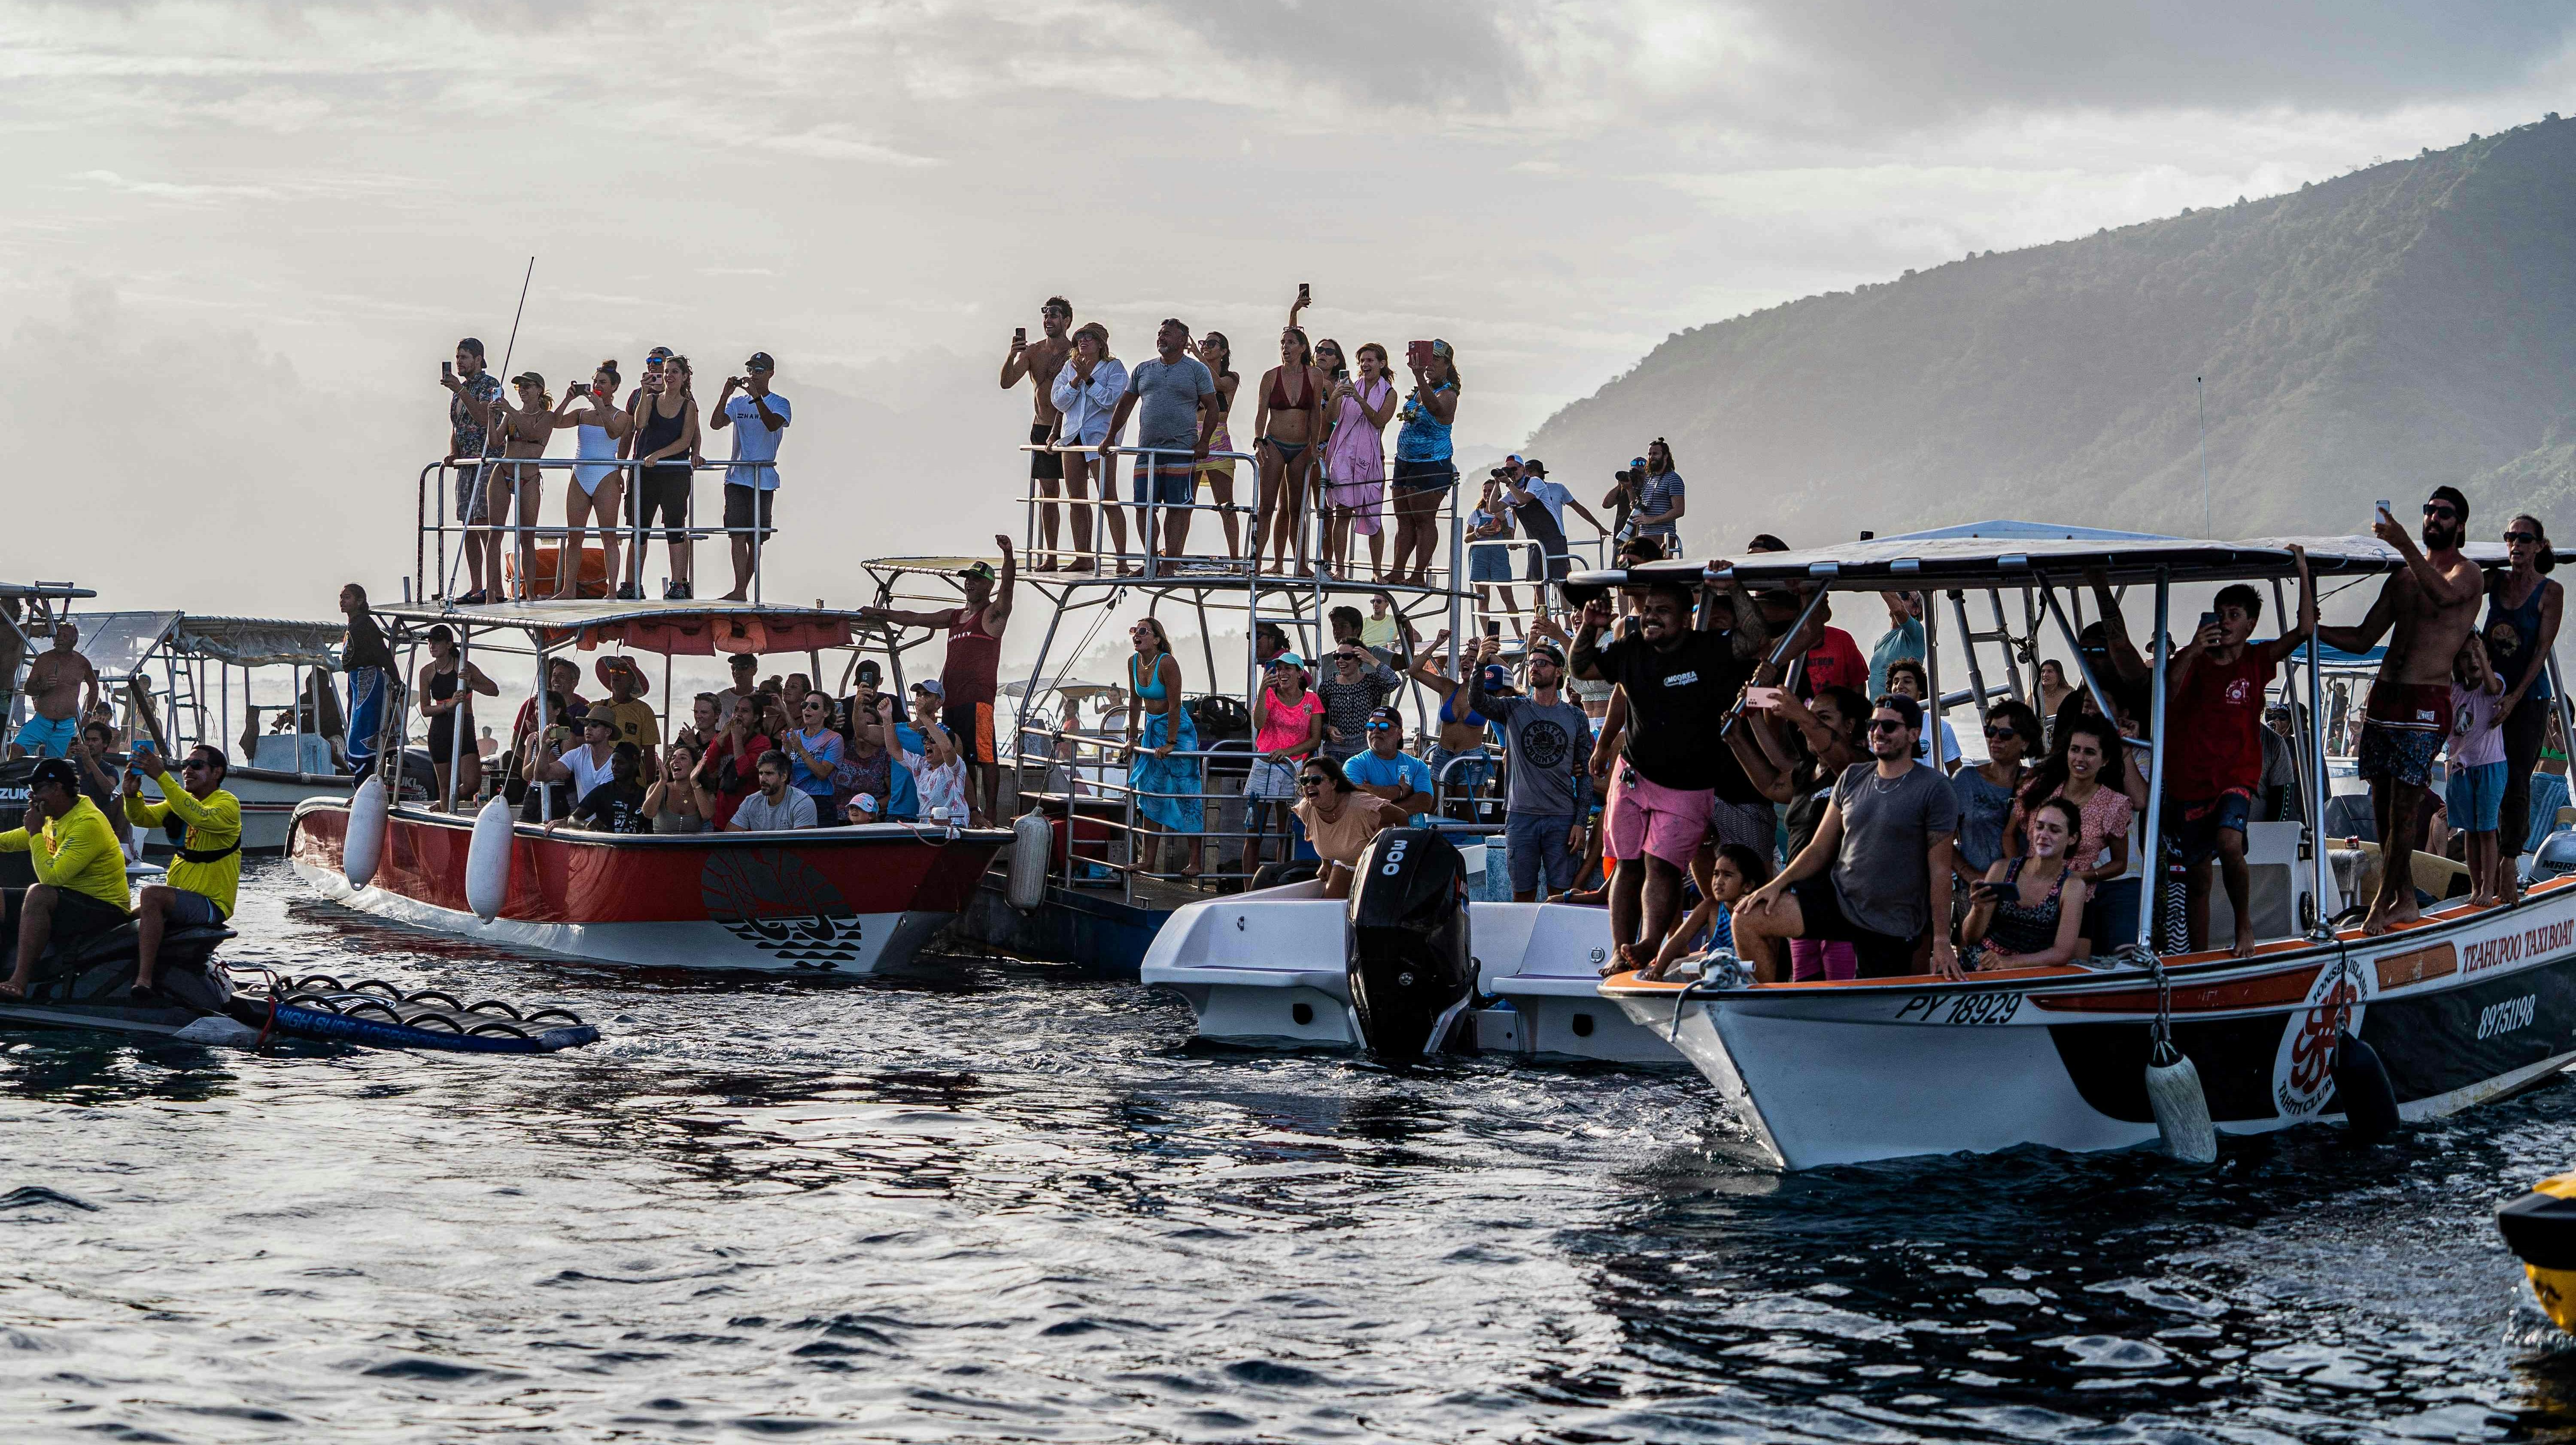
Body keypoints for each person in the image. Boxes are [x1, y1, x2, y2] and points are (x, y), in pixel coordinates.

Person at [1571, 572, 1769, 974]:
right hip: (1634, 774)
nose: (1651, 618)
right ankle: (1619, 948)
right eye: (1647, 610)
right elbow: (1582, 668)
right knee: (1627, 863)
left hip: (1689, 784)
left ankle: (1649, 944)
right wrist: (1589, 628)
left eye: (1663, 611)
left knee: (1662, 865)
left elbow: (1756, 641)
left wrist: (1732, 587)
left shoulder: (1707, 649)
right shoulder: (1630, 650)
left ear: (1685, 617)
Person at [2318, 489, 2488, 934]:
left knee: (2405, 811)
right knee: (2379, 802)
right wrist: (2312, 628)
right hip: (2385, 698)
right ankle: (2407, 897)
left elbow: (2444, 593)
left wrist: (2401, 542)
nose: (2434, 517)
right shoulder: (2401, 578)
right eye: (2429, 511)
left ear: (2461, 525)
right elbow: (2361, 636)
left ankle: (2379, 906)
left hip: (2425, 702)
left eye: (2444, 513)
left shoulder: (2466, 575)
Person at [1734, 693, 1962, 981]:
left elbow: (1940, 870)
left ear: (1914, 734)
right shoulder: (1852, 777)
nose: (1878, 732)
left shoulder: (1935, 788)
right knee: (1747, 916)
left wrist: (1942, 940)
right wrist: (1777, 884)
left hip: (1892, 918)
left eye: (1889, 727)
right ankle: (1764, 1012)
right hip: (1840, 903)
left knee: (1875, 1003)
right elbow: (1817, 849)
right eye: (1874, 725)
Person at [2162, 552, 2317, 956]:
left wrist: (2302, 570)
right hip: (2191, 779)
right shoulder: (2193, 661)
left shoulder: (2257, 659)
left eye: (2234, 615)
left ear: (2250, 624)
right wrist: (2193, 649)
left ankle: (2244, 929)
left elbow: (2303, 629)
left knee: (2230, 843)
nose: (2226, 622)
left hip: (2237, 775)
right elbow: (2164, 694)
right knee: (2198, 878)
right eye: (2221, 614)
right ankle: (2197, 956)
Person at [857, 536, 1015, 826]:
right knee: (956, 754)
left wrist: (1008, 555)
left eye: (978, 580)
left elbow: (1008, 591)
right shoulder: (956, 616)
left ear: (988, 586)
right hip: (952, 699)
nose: (970, 584)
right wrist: (881, 612)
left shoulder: (992, 616)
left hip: (978, 700)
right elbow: (916, 617)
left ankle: (988, 813)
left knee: (985, 757)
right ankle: (964, 807)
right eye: (968, 579)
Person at [1727, 683, 1868, 980]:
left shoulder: (1859, 767)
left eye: (1824, 718)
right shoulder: (1808, 771)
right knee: (1805, 984)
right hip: (1802, 895)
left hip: (1840, 899)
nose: (1811, 725)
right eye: (1810, 718)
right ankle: (1777, 1018)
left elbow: (1841, 760)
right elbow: (1772, 785)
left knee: (1838, 992)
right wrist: (1738, 738)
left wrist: (1799, 713)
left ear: (1850, 725)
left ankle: (1763, 1007)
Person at [1464, 636, 1594, 901]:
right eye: (1532, 662)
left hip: (1562, 817)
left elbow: (1586, 775)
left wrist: (1581, 822)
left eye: (1542, 663)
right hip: (1521, 816)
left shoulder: (1576, 716)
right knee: (1522, 894)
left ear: (1559, 672)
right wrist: (1479, 665)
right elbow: (1478, 702)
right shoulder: (1513, 708)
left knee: (1561, 894)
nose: (1534, 667)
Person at [113, 742, 240, 995]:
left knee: (150, 894)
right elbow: (141, 818)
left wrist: (161, 776)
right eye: (185, 765)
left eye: (196, 766)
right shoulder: (182, 803)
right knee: (121, 916)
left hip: (212, 904)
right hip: (181, 899)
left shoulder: (228, 804)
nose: (188, 771)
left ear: (217, 773)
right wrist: (131, 796)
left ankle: (144, 980)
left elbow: (200, 816)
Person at [0, 759, 131, 1000]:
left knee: (39, 893)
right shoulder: (55, 816)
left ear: (58, 788)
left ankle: (18, 981)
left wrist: (36, 833)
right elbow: (11, 840)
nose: (33, 796)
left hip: (104, 908)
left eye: (38, 789)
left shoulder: (88, 822)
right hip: (71, 898)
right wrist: (35, 832)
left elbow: (52, 877)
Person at [2007, 715, 2136, 954]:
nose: (2080, 758)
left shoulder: (2114, 805)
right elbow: (2009, 835)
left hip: (2077, 898)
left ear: (2105, 760)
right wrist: (2018, 874)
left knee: (2072, 968)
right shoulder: (2040, 786)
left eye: (2089, 752)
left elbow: (2120, 863)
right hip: (2028, 894)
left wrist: (2081, 876)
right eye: (2075, 749)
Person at [1101, 319, 1221, 565]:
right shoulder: (1144, 370)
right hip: (1147, 450)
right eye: (1160, 334)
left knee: (1177, 508)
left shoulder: (1197, 371)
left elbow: (1212, 407)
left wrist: (1204, 442)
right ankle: (1151, 560)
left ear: (1182, 340)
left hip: (1181, 450)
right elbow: (1125, 405)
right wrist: (1110, 436)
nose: (1161, 338)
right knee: (1144, 507)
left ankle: (1170, 561)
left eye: (1167, 334)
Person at [2486, 513, 2563, 885]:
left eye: (2524, 538)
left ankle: (2509, 862)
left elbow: (2540, 652)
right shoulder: (2494, 581)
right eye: (2510, 537)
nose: (2515, 544)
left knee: (2517, 778)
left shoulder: (2550, 592)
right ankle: (2483, 864)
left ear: (2538, 546)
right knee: (2483, 775)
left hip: (2529, 699)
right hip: (2490, 695)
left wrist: (2514, 698)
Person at [1960, 796, 2091, 970]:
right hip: (1977, 969)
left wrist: (2008, 963)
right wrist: (1978, 910)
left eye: (2055, 830)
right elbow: (1970, 938)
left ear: (2072, 838)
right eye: (2040, 826)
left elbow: (2061, 953)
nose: (2044, 835)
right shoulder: (2002, 869)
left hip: (2026, 977)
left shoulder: (2072, 886)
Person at [1123, 616, 1205, 878]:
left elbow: (1175, 704)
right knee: (1150, 792)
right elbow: (1135, 702)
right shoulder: (1133, 662)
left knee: (1187, 793)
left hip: (1178, 731)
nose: (1137, 635)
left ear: (1157, 639)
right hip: (1152, 728)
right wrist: (1133, 737)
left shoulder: (1167, 663)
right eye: (1134, 630)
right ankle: (1148, 860)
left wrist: (1171, 743)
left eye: (1143, 631)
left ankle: (1196, 861)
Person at [709, 353, 790, 602]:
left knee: (756, 538)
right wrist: (725, 394)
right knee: (737, 534)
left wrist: (756, 396)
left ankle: (743, 590)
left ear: (770, 373)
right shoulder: (738, 403)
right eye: (750, 369)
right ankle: (739, 589)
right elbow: (715, 424)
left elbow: (772, 425)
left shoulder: (780, 403)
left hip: (764, 480)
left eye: (759, 370)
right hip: (737, 478)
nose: (753, 374)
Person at [1003, 298, 1077, 571]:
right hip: (1041, 426)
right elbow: (1007, 382)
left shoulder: (1076, 352)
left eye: (1055, 315)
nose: (1049, 319)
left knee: (1076, 493)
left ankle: (1082, 554)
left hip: (1069, 429)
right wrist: (1012, 355)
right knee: (1049, 493)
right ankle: (1052, 556)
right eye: (1045, 314)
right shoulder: (1033, 352)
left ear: (1067, 321)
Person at [550, 361, 633, 599]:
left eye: (603, 383)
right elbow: (555, 422)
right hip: (580, 474)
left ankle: (611, 591)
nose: (597, 385)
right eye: (595, 381)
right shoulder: (582, 414)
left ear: (614, 387)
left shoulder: (622, 416)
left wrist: (601, 407)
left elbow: (614, 432)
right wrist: (567, 399)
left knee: (609, 534)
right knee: (574, 534)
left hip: (606, 475)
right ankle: (568, 590)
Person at [1251, 320, 1327, 575]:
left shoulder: (1314, 375)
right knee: (1266, 506)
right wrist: (1258, 439)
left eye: (1291, 343)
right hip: (1275, 443)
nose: (1286, 347)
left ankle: (1301, 564)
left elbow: (1316, 412)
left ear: (1303, 348)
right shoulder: (1271, 376)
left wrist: (1314, 446)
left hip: (1301, 447)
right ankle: (1256, 562)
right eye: (1283, 343)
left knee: (1297, 508)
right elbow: (1262, 413)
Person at [1048, 322, 1124, 571]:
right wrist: (1075, 382)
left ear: (1101, 343)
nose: (1084, 341)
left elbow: (1111, 400)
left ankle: (1121, 560)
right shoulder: (1069, 367)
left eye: (1090, 338)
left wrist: (1088, 380)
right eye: (1081, 337)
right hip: (1072, 437)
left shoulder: (1114, 367)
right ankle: (1083, 556)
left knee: (1108, 498)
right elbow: (1058, 401)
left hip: (1101, 439)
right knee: (1076, 499)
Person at [1321, 341, 1399, 580]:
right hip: (1344, 456)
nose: (1365, 365)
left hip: (1371, 458)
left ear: (1382, 364)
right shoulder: (1349, 387)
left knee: (1374, 515)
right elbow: (1331, 418)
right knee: (1343, 513)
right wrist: (1336, 396)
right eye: (1362, 361)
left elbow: (1379, 421)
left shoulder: (1389, 393)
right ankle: (1340, 569)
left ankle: (1377, 572)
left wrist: (1359, 398)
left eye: (1370, 360)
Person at [1386, 340, 1460, 588]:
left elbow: (1435, 408)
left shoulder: (1449, 394)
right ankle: (1398, 570)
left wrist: (1419, 378)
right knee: (1404, 518)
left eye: (1436, 361)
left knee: (1424, 518)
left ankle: (1418, 573)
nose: (1430, 365)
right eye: (1429, 360)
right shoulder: (1420, 390)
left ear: (1448, 365)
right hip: (1405, 461)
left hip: (1432, 463)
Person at [440, 337, 507, 603]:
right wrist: (454, 452)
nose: (459, 363)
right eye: (458, 358)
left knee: (484, 525)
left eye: (464, 358)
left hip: (488, 463)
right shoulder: (461, 390)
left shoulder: (491, 386)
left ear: (479, 359)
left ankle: (495, 587)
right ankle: (477, 586)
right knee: (468, 526)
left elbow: (484, 417)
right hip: (466, 465)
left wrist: (461, 391)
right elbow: (457, 426)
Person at [630, 353, 702, 599]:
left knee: (674, 527)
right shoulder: (650, 399)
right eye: (667, 371)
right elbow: (640, 424)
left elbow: (686, 440)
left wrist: (659, 455)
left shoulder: (689, 405)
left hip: (674, 473)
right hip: (648, 473)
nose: (669, 376)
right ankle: (633, 584)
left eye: (674, 372)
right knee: (640, 528)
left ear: (684, 377)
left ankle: (678, 585)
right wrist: (644, 390)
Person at [1953, 700, 2043, 891]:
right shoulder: (1965, 780)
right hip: (1976, 888)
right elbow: (1940, 839)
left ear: (2025, 742)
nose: (1996, 739)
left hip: (2022, 888)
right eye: (1991, 732)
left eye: (2006, 734)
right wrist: (1968, 874)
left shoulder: (2035, 784)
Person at [1291, 756, 1410, 900]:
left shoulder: (1362, 807)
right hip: (1348, 864)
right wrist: (1326, 864)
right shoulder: (1306, 809)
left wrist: (1402, 864)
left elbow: (1401, 816)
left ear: (1334, 783)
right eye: (1305, 781)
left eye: (1316, 780)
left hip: (1381, 866)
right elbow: (1320, 834)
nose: (1309, 785)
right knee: (1328, 909)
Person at [2448, 635, 2510, 906]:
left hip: (2490, 767)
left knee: (2487, 831)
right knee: (2470, 832)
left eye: (2477, 655)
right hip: (2462, 769)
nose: (2472, 661)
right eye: (2465, 656)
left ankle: (2488, 888)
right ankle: (2475, 886)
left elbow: (2494, 687)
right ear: (2458, 663)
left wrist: (2481, 653)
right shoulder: (2455, 691)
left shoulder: (2493, 685)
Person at [1647, 843, 1771, 978]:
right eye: (1716, 874)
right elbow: (1680, 939)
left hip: (1750, 977)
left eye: (1727, 875)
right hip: (1715, 976)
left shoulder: (1759, 909)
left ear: (1748, 886)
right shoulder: (1711, 907)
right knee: (1669, 972)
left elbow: (1773, 953)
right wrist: (1658, 971)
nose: (1719, 881)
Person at [1246, 653, 1324, 865]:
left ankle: (1280, 879)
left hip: (1295, 767)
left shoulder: (1312, 700)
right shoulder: (1270, 695)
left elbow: (1315, 740)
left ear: (1300, 673)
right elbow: (1259, 724)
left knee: (1287, 832)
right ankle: (1248, 889)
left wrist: (1286, 752)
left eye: (1288, 668)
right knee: (1255, 833)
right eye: (1279, 669)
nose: (1282, 673)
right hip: (1265, 765)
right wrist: (1263, 690)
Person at [1407, 638, 1501, 816]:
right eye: (1464, 658)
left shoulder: (1488, 693)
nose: (1465, 662)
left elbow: (1507, 672)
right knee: (1435, 812)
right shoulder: (1449, 687)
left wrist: (1485, 651)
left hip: (1472, 760)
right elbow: (1414, 670)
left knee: (1468, 818)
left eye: (1472, 659)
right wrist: (1437, 643)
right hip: (1443, 755)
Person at [1504, 458, 1609, 598]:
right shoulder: (1521, 491)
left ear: (1541, 473)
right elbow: (1516, 512)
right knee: (1538, 586)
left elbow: (1578, 507)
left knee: (1562, 582)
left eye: (1534, 471)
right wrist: (1512, 537)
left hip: (1555, 538)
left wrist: (1599, 527)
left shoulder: (1557, 488)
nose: (1531, 475)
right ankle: (1541, 618)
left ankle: (1567, 617)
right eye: (1529, 472)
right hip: (1535, 541)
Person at [417, 625, 496, 809]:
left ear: (449, 644)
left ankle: (444, 805)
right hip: (440, 730)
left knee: (472, 783)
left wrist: (471, 683)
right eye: (430, 642)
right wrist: (449, 705)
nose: (432, 646)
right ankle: (446, 814)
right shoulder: (426, 672)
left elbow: (494, 690)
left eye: (437, 642)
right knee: (445, 788)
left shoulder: (463, 666)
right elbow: (426, 710)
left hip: (464, 727)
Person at [10, 621, 99, 760]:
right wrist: (42, 687)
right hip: (41, 721)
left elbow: (94, 687)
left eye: (65, 636)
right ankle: (14, 782)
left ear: (74, 641)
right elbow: (28, 689)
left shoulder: (82, 663)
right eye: (59, 635)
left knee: (60, 766)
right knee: (17, 748)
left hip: (65, 726)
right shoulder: (43, 660)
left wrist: (88, 714)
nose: (60, 638)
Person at [1193, 331, 1245, 561]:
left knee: (1226, 503)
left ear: (1223, 351)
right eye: (1204, 343)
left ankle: (1235, 557)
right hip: (1192, 436)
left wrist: (1195, 353)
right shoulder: (1194, 374)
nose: (1206, 346)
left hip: (1218, 437)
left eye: (1211, 344)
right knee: (1184, 502)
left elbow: (1217, 383)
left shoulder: (1231, 377)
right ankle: (1172, 553)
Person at [338, 584, 397, 781]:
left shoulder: (365, 624)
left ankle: (368, 779)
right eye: (341, 597)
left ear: (360, 601)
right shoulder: (354, 624)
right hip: (356, 680)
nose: (342, 601)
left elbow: (382, 654)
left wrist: (396, 680)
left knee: (365, 730)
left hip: (369, 680)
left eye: (347, 597)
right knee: (356, 728)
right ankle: (364, 781)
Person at [1343, 705, 1436, 826]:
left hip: (1414, 837)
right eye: (1371, 727)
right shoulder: (1354, 765)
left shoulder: (1418, 766)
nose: (1376, 731)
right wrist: (1401, 791)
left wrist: (1374, 797)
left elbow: (1424, 802)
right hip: (1373, 840)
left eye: (1384, 727)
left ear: (1399, 733)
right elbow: (1357, 800)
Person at [1314, 640, 1401, 766]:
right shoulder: (1328, 685)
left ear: (1359, 659)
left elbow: (1394, 681)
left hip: (1366, 750)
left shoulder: (1371, 681)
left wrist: (1372, 660)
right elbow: (1318, 721)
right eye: (1337, 656)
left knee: (1366, 786)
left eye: (1347, 657)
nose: (1340, 661)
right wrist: (1328, 729)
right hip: (1336, 752)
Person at [696, 698, 774, 831]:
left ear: (755, 718)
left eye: (744, 711)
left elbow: (743, 770)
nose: (738, 714)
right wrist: (722, 737)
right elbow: (705, 767)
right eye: (736, 710)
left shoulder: (762, 743)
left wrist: (737, 738)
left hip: (748, 817)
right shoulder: (725, 738)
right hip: (722, 816)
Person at [546, 742, 650, 836]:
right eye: (613, 762)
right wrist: (586, 825)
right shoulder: (603, 791)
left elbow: (651, 830)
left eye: (621, 763)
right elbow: (573, 819)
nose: (614, 767)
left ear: (635, 764)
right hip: (606, 850)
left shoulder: (644, 796)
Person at [1882, 658, 1961, 772]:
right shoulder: (1879, 729)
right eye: (1896, 682)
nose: (1899, 686)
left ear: (1920, 689)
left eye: (1907, 681)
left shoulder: (1941, 729)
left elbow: (1956, 775)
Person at [1466, 474, 1519, 636]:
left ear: (1498, 494)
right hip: (1479, 558)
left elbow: (1510, 539)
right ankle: (1487, 636)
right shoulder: (1476, 514)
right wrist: (1478, 532)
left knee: (1508, 597)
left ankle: (1519, 633)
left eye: (1491, 491)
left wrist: (1502, 520)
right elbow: (1467, 539)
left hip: (1499, 557)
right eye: (1485, 491)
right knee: (1483, 599)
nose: (1488, 494)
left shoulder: (1507, 514)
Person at [906, 688, 969, 821]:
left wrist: (922, 715)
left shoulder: (954, 768)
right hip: (927, 830)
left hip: (952, 830)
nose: (928, 743)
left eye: (933, 740)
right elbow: (894, 750)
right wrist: (887, 717)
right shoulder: (922, 766)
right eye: (926, 740)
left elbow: (947, 748)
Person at [593, 656, 660, 779]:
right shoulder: (597, 707)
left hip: (632, 782)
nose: (616, 674)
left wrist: (651, 786)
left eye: (623, 671)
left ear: (632, 680)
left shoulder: (644, 711)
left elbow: (650, 753)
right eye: (613, 671)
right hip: (600, 780)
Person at [780, 691, 844, 813]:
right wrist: (787, 754)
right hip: (793, 798)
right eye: (805, 705)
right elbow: (783, 775)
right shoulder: (792, 736)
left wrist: (800, 749)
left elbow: (822, 773)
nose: (807, 709)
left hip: (820, 802)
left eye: (814, 706)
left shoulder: (834, 739)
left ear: (826, 713)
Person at [728, 749, 817, 830]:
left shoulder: (802, 803)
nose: (763, 779)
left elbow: (802, 845)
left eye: (769, 774)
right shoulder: (750, 802)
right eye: (761, 773)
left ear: (784, 777)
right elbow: (729, 839)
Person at [1868, 591, 1926, 701]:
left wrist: (1877, 579)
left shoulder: (1916, 632)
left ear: (1916, 610)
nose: (1898, 597)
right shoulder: (1880, 642)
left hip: (1900, 713)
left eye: (1904, 595)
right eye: (1897, 593)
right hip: (1877, 713)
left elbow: (1899, 610)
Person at [1632, 438, 1684, 552]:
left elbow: (1679, 511)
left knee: (1658, 568)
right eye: (1650, 454)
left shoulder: (1674, 479)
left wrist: (1652, 520)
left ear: (1666, 456)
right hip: (1643, 536)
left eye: (1655, 454)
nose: (1651, 457)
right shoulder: (1649, 480)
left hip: (1662, 536)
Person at [644, 743, 710, 834]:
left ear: (695, 766)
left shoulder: (705, 793)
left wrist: (694, 781)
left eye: (683, 758)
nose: (675, 761)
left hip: (692, 847)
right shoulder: (657, 787)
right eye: (673, 758)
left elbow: (707, 815)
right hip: (661, 847)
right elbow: (648, 814)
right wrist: (663, 781)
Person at [716, 651, 762, 724]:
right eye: (734, 668)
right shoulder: (719, 699)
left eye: (743, 667)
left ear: (755, 670)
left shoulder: (762, 697)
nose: (736, 671)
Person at [2037, 659, 2076, 736]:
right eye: (2043, 671)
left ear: (2059, 674)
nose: (2045, 675)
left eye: (2050, 672)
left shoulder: (2070, 693)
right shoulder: (2034, 697)